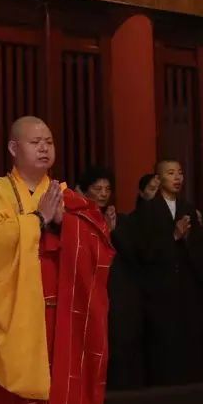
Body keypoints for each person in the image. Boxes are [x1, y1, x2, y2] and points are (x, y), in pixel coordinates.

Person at [0, 116, 114, 404]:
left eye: (49, 142)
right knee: (21, 403)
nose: (43, 147)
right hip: (21, 312)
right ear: (13, 148)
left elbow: (99, 242)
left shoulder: (66, 196)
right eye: (35, 141)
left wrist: (63, 221)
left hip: (63, 313)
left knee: (64, 390)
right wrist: (37, 220)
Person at [136, 159, 203, 385]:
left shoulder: (188, 209)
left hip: (186, 289)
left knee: (189, 344)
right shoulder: (148, 209)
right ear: (158, 178)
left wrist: (187, 240)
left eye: (180, 173)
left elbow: (201, 250)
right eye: (170, 173)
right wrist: (173, 238)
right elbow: (145, 252)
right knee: (163, 347)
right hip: (160, 290)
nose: (177, 178)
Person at [80, 166, 146, 390]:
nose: (103, 193)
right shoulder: (78, 220)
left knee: (123, 348)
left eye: (107, 189)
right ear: (85, 191)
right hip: (91, 293)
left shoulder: (123, 220)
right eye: (97, 188)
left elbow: (135, 257)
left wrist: (114, 230)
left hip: (120, 294)